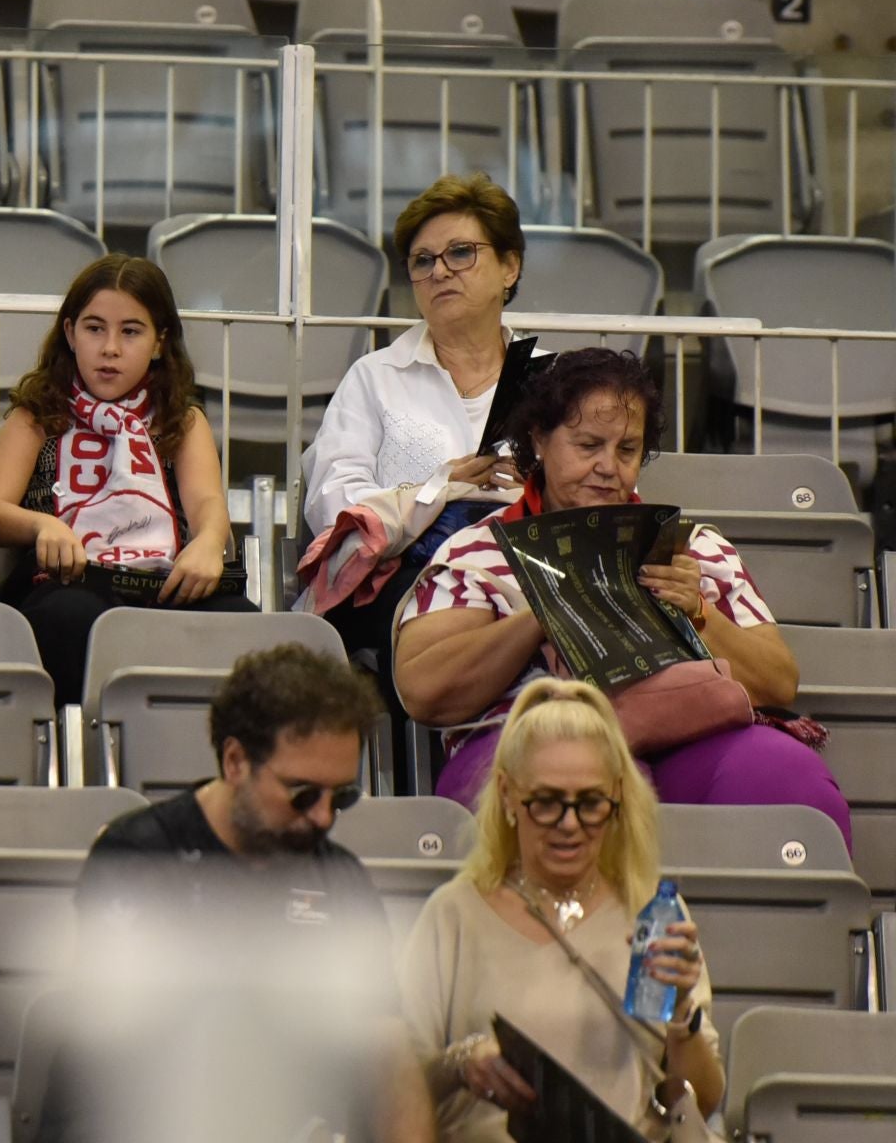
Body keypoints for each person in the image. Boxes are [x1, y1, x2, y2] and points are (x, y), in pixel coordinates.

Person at [393, 347, 849, 842]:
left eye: (627, 450)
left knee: (786, 779)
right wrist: (544, 612)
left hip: (689, 732)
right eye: (588, 445)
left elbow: (778, 683)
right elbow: (424, 692)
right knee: (583, 784)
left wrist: (698, 614)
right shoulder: (478, 551)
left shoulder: (696, 547)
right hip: (527, 737)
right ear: (539, 441)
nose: (608, 467)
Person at [46, 643, 433, 1143]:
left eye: (342, 797)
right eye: (303, 794)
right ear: (235, 761)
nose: (322, 818)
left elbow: (388, 1060)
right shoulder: (139, 859)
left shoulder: (340, 880)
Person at [401, 678, 723, 1141]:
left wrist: (681, 1013)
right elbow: (395, 1092)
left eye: (590, 803)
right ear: (508, 795)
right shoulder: (454, 914)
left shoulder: (652, 913)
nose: (569, 825)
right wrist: (461, 1064)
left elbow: (702, 1102)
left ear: (616, 798)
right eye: (547, 803)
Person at [0, 254, 252, 703]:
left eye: (131, 331)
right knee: (69, 618)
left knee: (246, 626)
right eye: (94, 328)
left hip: (165, 580)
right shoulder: (37, 415)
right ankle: (78, 756)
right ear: (70, 333)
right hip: (68, 582)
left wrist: (207, 543)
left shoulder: (182, 420)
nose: (110, 349)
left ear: (160, 342)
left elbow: (206, 504)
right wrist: (42, 525)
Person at [301, 173, 528, 682]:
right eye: (423, 261)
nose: (440, 271)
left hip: (527, 574)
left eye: (460, 253)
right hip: (404, 579)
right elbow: (332, 505)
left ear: (509, 266)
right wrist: (438, 490)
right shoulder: (376, 377)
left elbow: (610, 493)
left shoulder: (553, 380)